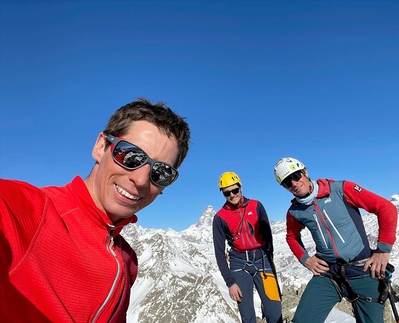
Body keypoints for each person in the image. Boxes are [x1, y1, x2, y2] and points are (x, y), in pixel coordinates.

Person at [0, 98, 191, 322]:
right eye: (131, 156)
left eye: (161, 172)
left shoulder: (128, 259)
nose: (140, 180)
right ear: (101, 147)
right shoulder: (26, 210)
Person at [273, 157, 398, 323]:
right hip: (329, 275)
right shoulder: (295, 211)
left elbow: (386, 208)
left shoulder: (341, 189)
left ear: (305, 172)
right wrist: (306, 260)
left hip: (362, 270)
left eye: (296, 176)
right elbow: (291, 237)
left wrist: (383, 250)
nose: (294, 183)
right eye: (287, 182)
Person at [212, 172, 283, 323]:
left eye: (235, 190)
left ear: (240, 188)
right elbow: (219, 253)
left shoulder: (256, 206)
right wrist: (230, 283)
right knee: (247, 315)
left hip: (262, 260)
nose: (232, 195)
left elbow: (268, 236)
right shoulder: (220, 218)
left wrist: (269, 260)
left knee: (275, 311)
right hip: (239, 264)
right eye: (227, 193)